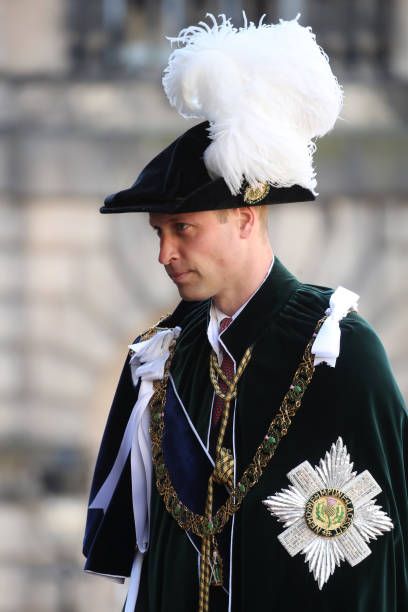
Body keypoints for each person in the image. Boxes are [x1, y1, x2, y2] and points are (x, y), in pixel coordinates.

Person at [82, 14, 408, 612]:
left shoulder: (337, 348)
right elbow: (150, 555)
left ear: (246, 217)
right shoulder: (166, 356)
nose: (164, 254)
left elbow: (373, 556)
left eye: (183, 228)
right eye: (158, 232)